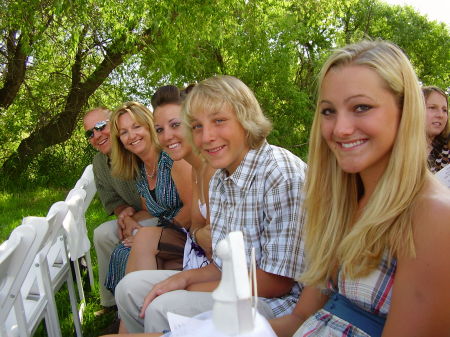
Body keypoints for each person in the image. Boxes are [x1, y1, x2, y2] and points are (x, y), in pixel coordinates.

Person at [270, 40, 450, 337]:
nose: (340, 128)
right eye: (328, 111)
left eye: (361, 107)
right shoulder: (344, 202)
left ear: (405, 111)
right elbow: (299, 318)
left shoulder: (433, 218)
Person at [114, 75, 307, 333]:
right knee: (128, 289)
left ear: (245, 117)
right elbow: (220, 264)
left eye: (219, 121)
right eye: (196, 126)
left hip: (273, 302)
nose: (206, 137)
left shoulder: (280, 174)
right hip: (232, 283)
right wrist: (183, 277)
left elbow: (277, 283)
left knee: (161, 307)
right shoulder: (220, 177)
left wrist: (187, 286)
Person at [104, 101, 193, 293]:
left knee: (130, 251)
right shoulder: (143, 170)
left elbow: (193, 207)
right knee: (122, 251)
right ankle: (127, 312)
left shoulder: (172, 158)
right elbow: (148, 210)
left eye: (137, 126)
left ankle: (140, 309)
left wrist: (153, 236)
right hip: (165, 231)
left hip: (189, 232)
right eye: (124, 132)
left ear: (150, 127)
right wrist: (129, 220)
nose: (132, 136)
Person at [126, 85, 214, 276]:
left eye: (175, 125)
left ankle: (141, 297)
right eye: (159, 129)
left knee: (141, 253)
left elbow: (214, 239)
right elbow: (199, 228)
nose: (166, 136)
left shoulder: (212, 168)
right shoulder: (196, 172)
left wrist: (200, 235)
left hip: (220, 268)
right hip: (195, 245)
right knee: (143, 239)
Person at [83, 107, 155, 312]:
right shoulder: (99, 162)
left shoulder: (135, 148)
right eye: (90, 133)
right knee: (102, 233)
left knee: (133, 233)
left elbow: (157, 200)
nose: (96, 135)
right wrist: (123, 213)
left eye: (100, 126)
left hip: (158, 214)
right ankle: (111, 302)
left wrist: (133, 219)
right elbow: (110, 199)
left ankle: (135, 303)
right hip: (133, 216)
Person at [423, 86, 449, 173]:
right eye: (432, 107)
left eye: (444, 110)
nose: (440, 115)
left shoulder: (447, 148)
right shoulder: (395, 147)